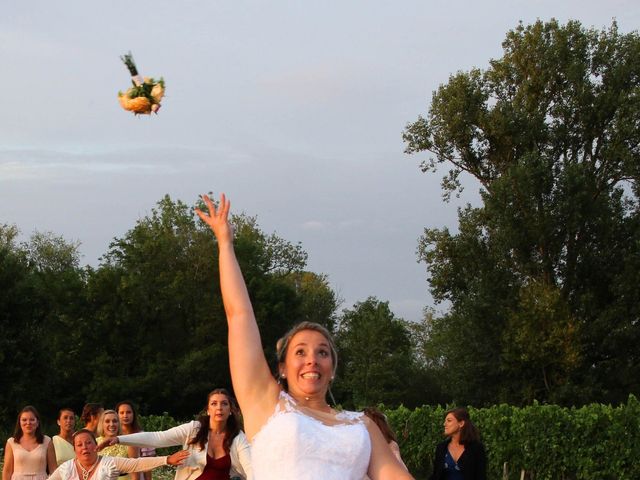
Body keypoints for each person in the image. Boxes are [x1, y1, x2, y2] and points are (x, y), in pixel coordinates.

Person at [195, 193, 413, 480]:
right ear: (282, 368)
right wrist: (225, 244)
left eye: (322, 352)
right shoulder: (266, 403)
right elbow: (239, 315)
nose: (312, 359)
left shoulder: (362, 426)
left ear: (332, 369)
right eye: (300, 352)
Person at [100, 389, 252, 480]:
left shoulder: (238, 437)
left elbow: (251, 468)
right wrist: (118, 439)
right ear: (208, 410)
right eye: (214, 403)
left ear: (230, 410)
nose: (219, 408)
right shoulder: (194, 429)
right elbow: (158, 438)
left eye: (224, 404)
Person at [48, 430, 189, 480]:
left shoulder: (109, 463)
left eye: (88, 443)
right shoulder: (66, 468)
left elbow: (136, 464)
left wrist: (167, 459)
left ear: (95, 445)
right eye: (79, 445)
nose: (84, 447)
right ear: (74, 449)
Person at [428, 408, 486, 480]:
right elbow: (436, 476)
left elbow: (481, 476)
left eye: (449, 421)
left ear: (461, 423)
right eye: (445, 421)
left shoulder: (476, 448)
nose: (444, 424)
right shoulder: (441, 448)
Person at [2, 405, 57, 480]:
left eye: (32, 420)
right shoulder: (11, 442)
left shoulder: (47, 441)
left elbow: (54, 470)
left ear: (37, 422)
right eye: (24, 420)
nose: (28, 423)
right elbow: (7, 471)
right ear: (19, 423)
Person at [116, 401, 156, 480]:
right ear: (117, 415)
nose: (125, 416)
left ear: (133, 414)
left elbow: (147, 465)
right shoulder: (113, 437)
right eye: (122, 413)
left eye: (128, 412)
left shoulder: (142, 436)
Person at [96, 410, 139, 480]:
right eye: (107, 421)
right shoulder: (95, 442)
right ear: (102, 424)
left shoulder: (129, 442)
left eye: (115, 421)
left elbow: (135, 472)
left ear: (119, 424)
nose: (111, 424)